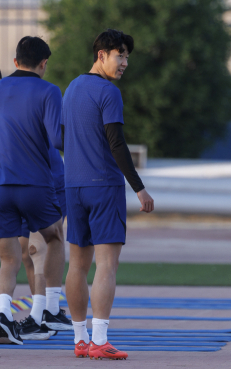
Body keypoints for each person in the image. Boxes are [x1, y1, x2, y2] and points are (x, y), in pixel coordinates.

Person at [62, 29, 154, 360]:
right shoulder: (108, 92)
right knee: (106, 265)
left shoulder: (71, 89)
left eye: (127, 55)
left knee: (77, 265)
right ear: (101, 55)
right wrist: (139, 187)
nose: (125, 62)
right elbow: (116, 143)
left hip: (74, 187)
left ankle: (79, 339)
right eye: (120, 55)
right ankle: (100, 340)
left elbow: (62, 138)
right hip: (104, 187)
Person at [0, 36, 64, 345]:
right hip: (35, 185)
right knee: (53, 240)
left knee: (8, 261)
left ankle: (5, 315)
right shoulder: (49, 90)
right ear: (44, 64)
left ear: (14, 62)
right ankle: (46, 312)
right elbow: (57, 139)